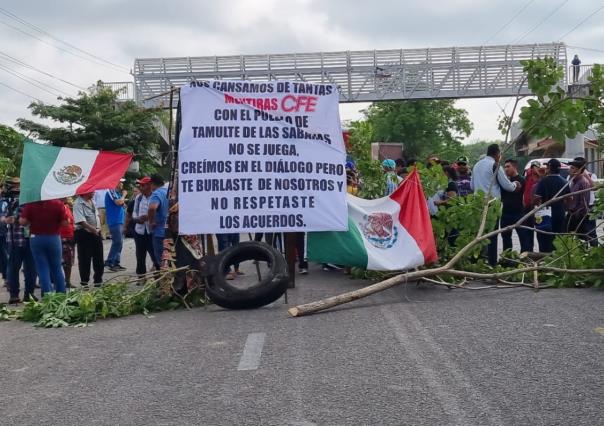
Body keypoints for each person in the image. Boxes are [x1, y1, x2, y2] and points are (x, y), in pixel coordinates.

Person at [471, 144, 520, 265]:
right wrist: (515, 185)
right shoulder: (495, 165)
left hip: (477, 203)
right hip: (492, 204)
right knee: (492, 235)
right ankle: (492, 263)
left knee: (480, 234)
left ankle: (478, 261)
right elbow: (506, 185)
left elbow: (472, 186)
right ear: (497, 154)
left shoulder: (476, 165)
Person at [20, 199, 67, 295]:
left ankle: (48, 294)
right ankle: (61, 293)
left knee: (42, 268)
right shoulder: (58, 203)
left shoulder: (31, 204)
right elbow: (65, 223)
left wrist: (30, 220)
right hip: (54, 238)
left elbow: (23, 221)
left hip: (36, 238)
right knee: (57, 267)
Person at [0, 178, 36, 303]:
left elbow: (5, 218)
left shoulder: (5, 200)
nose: (17, 188)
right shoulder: (27, 200)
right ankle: (26, 294)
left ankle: (16, 295)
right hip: (22, 239)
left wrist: (9, 219)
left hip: (16, 239)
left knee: (17, 268)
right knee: (28, 267)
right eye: (16, 185)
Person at [534, 159, 569, 253]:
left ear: (549, 168)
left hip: (545, 215)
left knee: (544, 239)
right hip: (560, 214)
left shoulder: (543, 181)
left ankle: (545, 261)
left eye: (547, 167)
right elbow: (569, 199)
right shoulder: (565, 182)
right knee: (559, 240)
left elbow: (537, 199)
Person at [500, 159, 532, 252]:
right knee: (505, 239)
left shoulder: (521, 180)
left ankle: (524, 259)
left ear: (515, 167)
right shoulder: (505, 182)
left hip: (518, 213)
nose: (506, 169)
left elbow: (516, 189)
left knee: (523, 238)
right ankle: (507, 260)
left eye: (508, 166)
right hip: (505, 213)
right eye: (505, 167)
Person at [132, 177, 159, 282]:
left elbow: (158, 212)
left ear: (149, 186)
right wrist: (137, 219)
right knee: (140, 256)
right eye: (140, 185)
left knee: (155, 255)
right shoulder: (138, 198)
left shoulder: (155, 196)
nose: (140, 187)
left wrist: (148, 217)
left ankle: (158, 278)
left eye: (143, 185)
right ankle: (141, 278)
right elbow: (134, 212)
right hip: (140, 230)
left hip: (152, 231)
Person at [74, 192, 104, 287]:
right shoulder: (78, 204)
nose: (94, 192)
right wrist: (93, 229)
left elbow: (96, 215)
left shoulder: (92, 201)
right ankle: (84, 282)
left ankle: (98, 280)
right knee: (84, 259)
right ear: (85, 191)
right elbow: (81, 221)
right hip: (84, 234)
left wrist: (98, 228)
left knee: (99, 258)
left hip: (96, 233)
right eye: (92, 190)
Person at [565, 157, 593, 242]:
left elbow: (583, 202)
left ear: (578, 170)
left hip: (579, 215)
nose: (569, 169)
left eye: (572, 168)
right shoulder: (572, 180)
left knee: (581, 238)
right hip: (571, 213)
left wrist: (577, 214)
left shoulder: (583, 182)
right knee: (568, 236)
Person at [104, 179, 127, 271]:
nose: (122, 184)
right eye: (120, 182)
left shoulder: (117, 193)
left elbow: (122, 205)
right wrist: (124, 195)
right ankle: (109, 262)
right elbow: (118, 202)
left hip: (120, 220)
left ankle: (116, 262)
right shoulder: (111, 191)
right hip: (114, 221)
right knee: (117, 242)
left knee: (120, 242)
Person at [147, 174, 169, 269]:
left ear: (152, 184)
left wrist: (151, 222)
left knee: (161, 260)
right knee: (170, 259)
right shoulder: (169, 192)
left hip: (159, 233)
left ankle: (165, 282)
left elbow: (152, 208)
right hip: (170, 231)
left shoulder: (156, 194)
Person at [60, 198, 75, 288]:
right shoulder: (58, 206)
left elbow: (71, 221)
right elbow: (65, 222)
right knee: (60, 261)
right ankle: (59, 282)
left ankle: (67, 281)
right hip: (61, 236)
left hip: (69, 236)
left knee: (69, 261)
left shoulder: (67, 206)